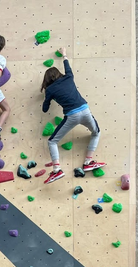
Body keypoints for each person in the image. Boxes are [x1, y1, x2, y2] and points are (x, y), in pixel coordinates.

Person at [41, 47, 105, 184]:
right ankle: (88, 161)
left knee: (52, 141)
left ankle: (57, 169)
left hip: (72, 116)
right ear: (58, 74)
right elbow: (67, 66)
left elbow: (45, 110)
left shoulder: (50, 89)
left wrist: (47, 98)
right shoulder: (69, 77)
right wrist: (64, 54)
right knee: (96, 132)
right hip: (85, 110)